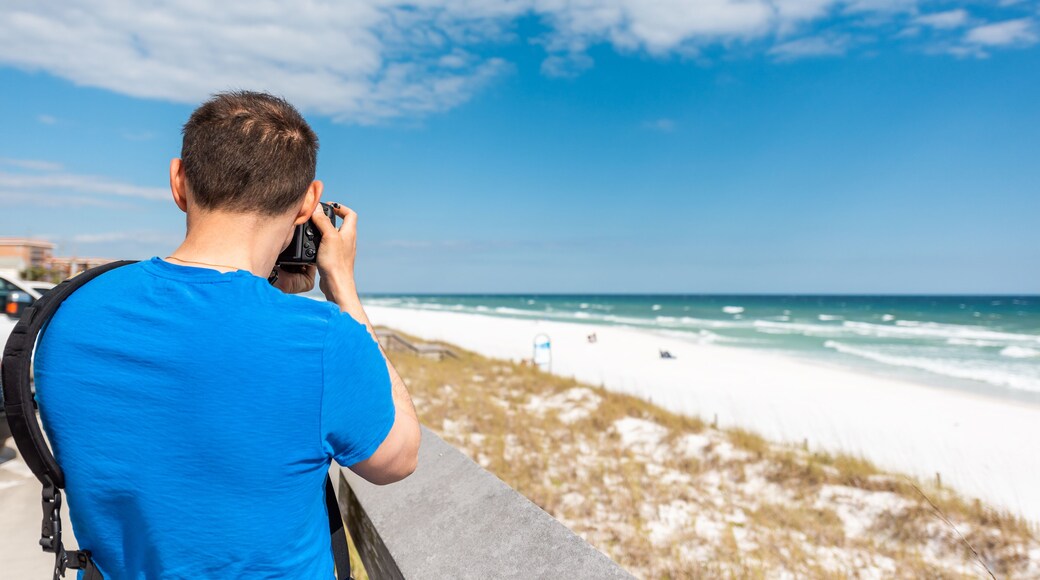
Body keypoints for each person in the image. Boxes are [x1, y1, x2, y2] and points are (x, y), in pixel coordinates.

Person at [33, 91, 421, 579]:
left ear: (178, 182)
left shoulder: (68, 312)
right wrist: (341, 285)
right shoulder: (324, 340)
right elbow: (398, 459)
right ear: (308, 202)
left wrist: (263, 291)